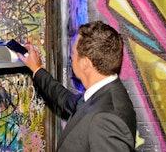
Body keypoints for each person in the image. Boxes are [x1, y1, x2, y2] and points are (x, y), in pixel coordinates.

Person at [18, 21, 136, 151]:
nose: (71, 57)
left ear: (85, 63)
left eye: (73, 54)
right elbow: (65, 99)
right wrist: (37, 69)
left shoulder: (106, 119)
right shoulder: (104, 92)